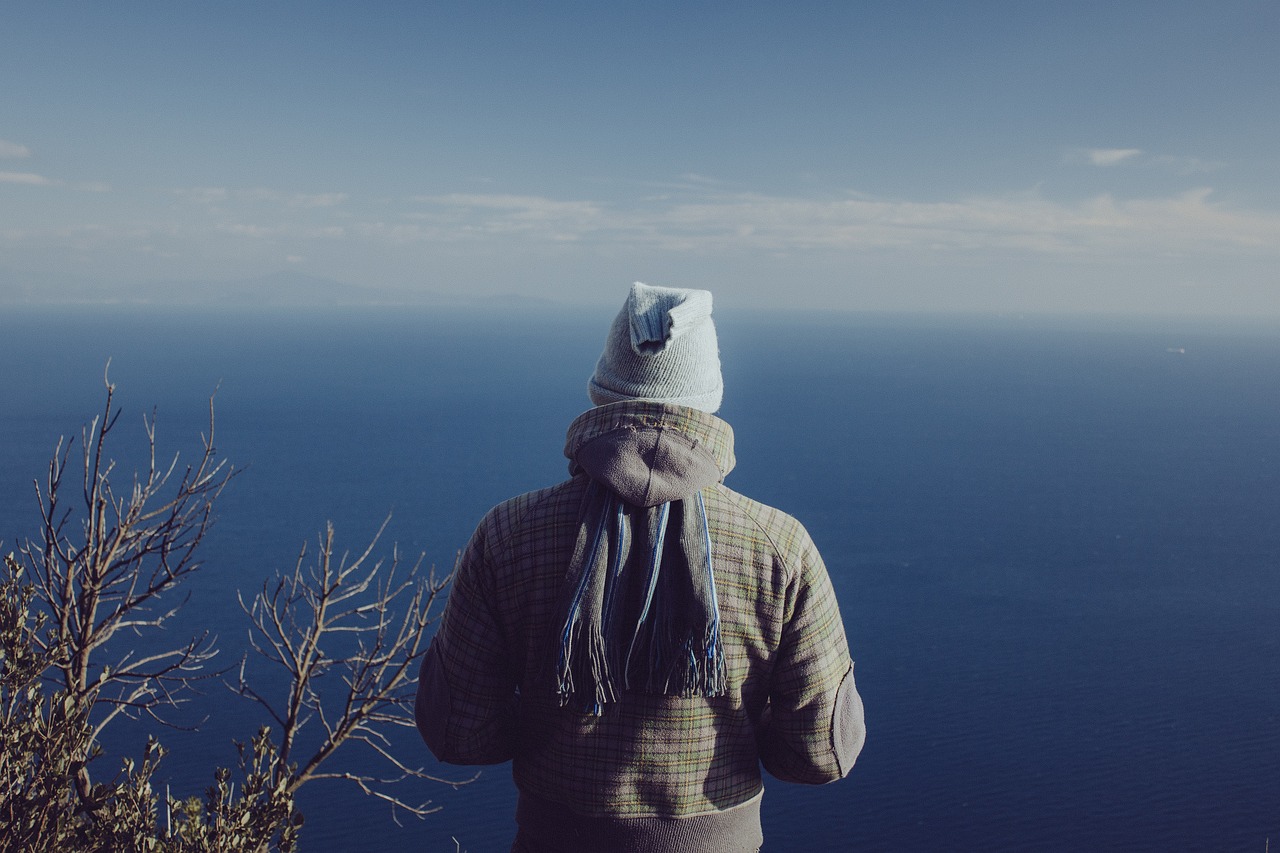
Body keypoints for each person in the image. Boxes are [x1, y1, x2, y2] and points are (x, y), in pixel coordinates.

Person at [416, 282, 865, 853]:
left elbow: (460, 733)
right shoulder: (780, 547)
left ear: (603, 390)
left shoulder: (509, 533)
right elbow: (820, 754)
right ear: (709, 397)